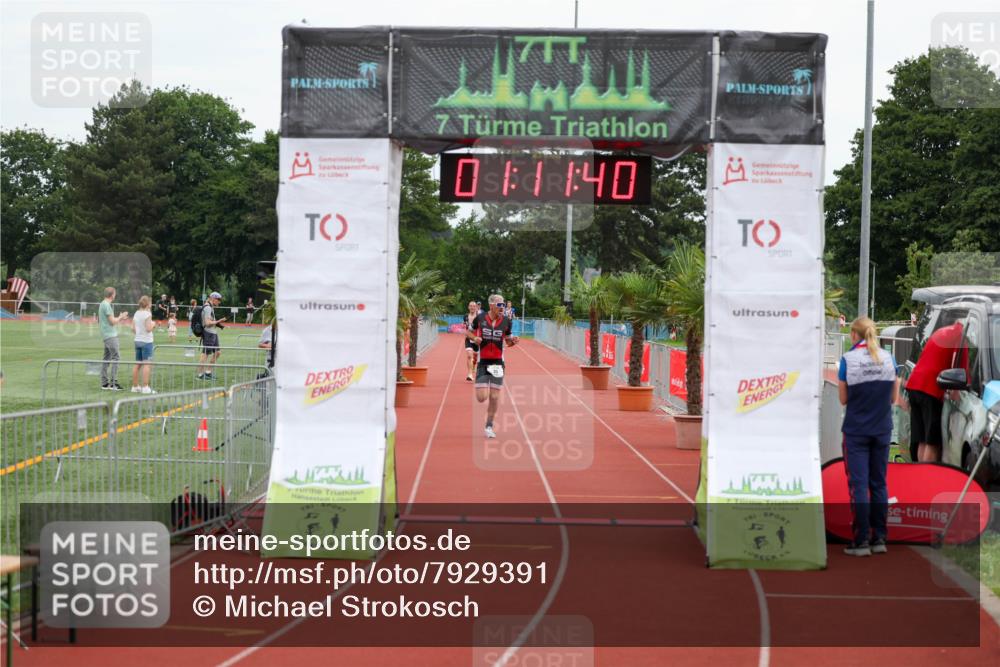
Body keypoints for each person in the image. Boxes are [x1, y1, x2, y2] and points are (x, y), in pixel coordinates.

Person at [838, 317, 899, 557]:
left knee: (859, 485)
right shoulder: (889, 358)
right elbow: (893, 398)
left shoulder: (848, 359)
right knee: (879, 483)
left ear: (854, 335)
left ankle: (861, 540)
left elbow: (843, 399)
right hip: (882, 429)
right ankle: (880, 537)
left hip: (856, 431)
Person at [905, 321, 968, 462]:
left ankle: (920, 473)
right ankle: (928, 475)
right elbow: (962, 371)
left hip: (914, 385)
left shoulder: (941, 331)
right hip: (930, 390)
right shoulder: (960, 336)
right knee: (932, 443)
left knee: (922, 440)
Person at [466, 294, 519, 438]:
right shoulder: (480, 318)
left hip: (498, 362)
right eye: (499, 305)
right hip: (483, 361)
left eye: (503, 305)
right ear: (491, 305)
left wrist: (513, 341)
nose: (502, 307)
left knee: (494, 397)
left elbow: (508, 341)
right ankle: (483, 386)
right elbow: (468, 332)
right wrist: (475, 338)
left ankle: (489, 426)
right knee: (482, 397)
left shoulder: (507, 321)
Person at [98, 286, 127, 391]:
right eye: (115, 293)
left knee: (106, 359)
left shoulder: (102, 304)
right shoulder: (107, 305)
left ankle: (104, 383)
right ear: (112, 295)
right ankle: (114, 383)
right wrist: (121, 317)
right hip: (110, 335)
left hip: (106, 335)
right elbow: (112, 322)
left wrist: (119, 318)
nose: (115, 295)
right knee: (116, 358)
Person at [197, 292, 227, 380]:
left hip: (213, 333)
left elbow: (211, 321)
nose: (219, 302)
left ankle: (208, 372)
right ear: (213, 298)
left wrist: (221, 325)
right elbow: (207, 323)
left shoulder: (210, 307)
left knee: (217, 352)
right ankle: (200, 374)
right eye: (218, 300)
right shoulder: (208, 308)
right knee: (205, 354)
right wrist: (219, 321)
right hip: (209, 333)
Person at [131, 295, 157, 394]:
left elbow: (133, 329)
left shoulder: (136, 313)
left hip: (137, 340)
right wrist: (153, 324)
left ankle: (135, 386)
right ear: (147, 303)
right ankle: (145, 387)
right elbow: (148, 328)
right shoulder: (147, 314)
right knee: (147, 364)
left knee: (137, 364)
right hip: (146, 341)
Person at [462, 301, 480, 381]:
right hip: (468, 338)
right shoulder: (465, 316)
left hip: (476, 339)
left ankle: (474, 365)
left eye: (474, 306)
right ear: (468, 307)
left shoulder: (479, 317)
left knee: (475, 357)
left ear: (476, 307)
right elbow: (465, 325)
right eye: (471, 306)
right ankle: (470, 374)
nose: (472, 307)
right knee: (469, 355)